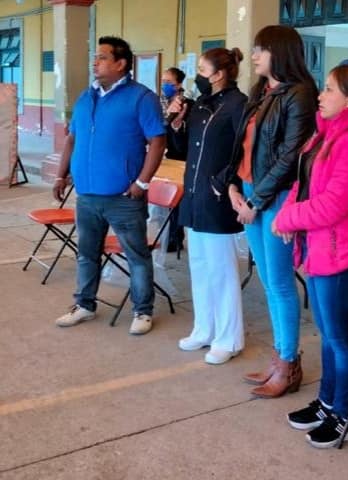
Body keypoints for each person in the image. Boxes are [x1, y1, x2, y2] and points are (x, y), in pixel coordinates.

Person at [272, 65, 348, 448]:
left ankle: (343, 415)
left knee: (339, 337)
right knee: (326, 333)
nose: (321, 95)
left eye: (329, 89)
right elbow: (301, 184)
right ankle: (326, 403)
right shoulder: (326, 134)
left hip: (343, 252)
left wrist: (289, 217)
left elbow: (334, 204)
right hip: (320, 248)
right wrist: (290, 214)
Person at [53, 36, 166, 335]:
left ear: (120, 63)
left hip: (123, 196)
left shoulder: (141, 97)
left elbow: (157, 139)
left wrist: (142, 182)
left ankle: (142, 310)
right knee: (86, 253)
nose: (95, 62)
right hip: (87, 194)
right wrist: (60, 175)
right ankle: (85, 305)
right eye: (95, 57)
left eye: (102, 57)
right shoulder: (85, 97)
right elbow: (72, 138)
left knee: (136, 255)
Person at [227, 25, 318, 397]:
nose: (253, 56)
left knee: (280, 282)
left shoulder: (300, 94)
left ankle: (288, 363)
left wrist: (256, 202)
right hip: (250, 190)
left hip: (275, 197)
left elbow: (290, 155)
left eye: (259, 49)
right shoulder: (262, 93)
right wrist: (234, 186)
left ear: (278, 52)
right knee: (267, 280)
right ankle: (281, 356)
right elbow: (243, 145)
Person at [167, 47, 248, 365]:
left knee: (221, 270)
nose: (197, 75)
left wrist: (223, 183)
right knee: (198, 266)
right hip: (195, 195)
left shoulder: (238, 105)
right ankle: (204, 328)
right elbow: (182, 150)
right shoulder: (199, 104)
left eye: (202, 69)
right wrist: (176, 123)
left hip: (218, 198)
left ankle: (229, 338)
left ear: (218, 74)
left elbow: (242, 151)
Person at [159, 66, 190, 251]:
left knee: (176, 201)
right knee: (166, 203)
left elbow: (182, 137)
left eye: (169, 83)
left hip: (182, 159)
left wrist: (176, 123)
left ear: (178, 84)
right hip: (166, 157)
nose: (165, 86)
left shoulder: (187, 105)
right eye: (163, 82)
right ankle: (168, 236)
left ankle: (175, 238)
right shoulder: (160, 102)